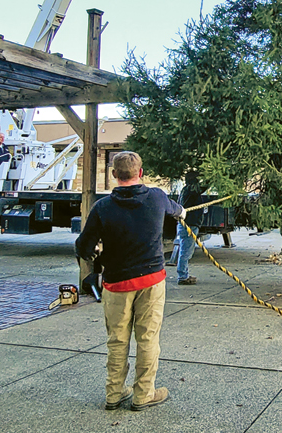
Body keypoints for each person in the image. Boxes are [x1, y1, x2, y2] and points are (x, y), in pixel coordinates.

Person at [76, 151, 187, 412]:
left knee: (117, 340)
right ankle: (144, 394)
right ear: (141, 172)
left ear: (114, 175)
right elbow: (176, 210)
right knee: (147, 338)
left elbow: (83, 247)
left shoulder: (102, 207)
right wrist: (181, 212)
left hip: (116, 283)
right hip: (151, 280)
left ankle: (114, 393)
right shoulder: (157, 197)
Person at [174, 169, 204, 285]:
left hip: (186, 224)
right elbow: (203, 187)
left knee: (186, 250)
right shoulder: (191, 190)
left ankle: (184, 274)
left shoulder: (186, 190)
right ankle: (182, 276)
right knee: (186, 251)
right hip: (188, 225)